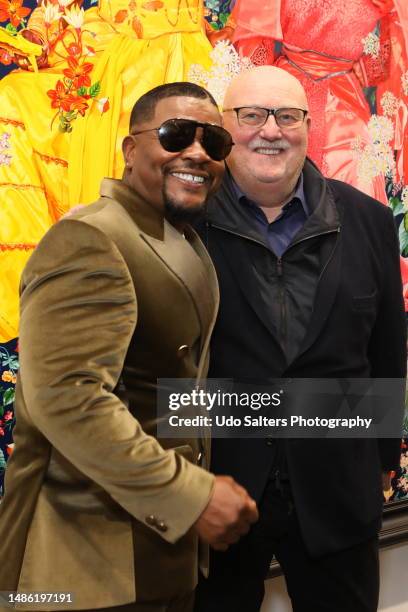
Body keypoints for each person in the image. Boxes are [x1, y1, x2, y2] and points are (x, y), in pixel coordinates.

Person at [0, 82, 258, 612]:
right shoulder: (91, 238)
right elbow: (68, 398)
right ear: (131, 148)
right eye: (176, 134)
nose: (196, 152)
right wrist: (192, 495)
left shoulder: (180, 240)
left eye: (214, 143)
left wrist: (331, 419)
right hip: (81, 564)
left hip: (155, 558)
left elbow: (169, 389)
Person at [193, 66, 406, 612]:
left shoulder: (368, 220)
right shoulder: (182, 226)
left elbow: (386, 353)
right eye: (251, 115)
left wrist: (381, 458)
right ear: (222, 128)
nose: (271, 130)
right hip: (218, 494)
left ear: (309, 126)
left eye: (288, 116)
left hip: (339, 496)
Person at [0, 0, 214, 343]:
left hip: (178, 47)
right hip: (100, 45)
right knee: (12, 95)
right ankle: (41, 287)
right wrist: (38, 31)